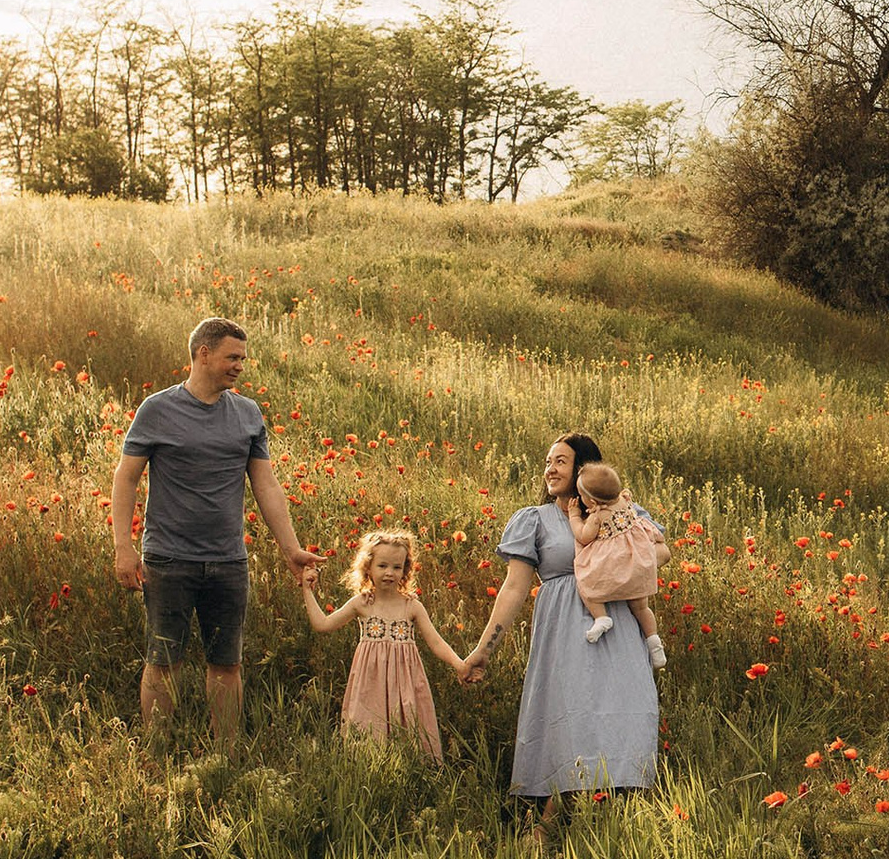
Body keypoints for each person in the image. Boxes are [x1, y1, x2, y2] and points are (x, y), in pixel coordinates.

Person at [109, 316, 320, 743]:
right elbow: (126, 477)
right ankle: (157, 751)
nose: (240, 365)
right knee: (163, 660)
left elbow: (266, 484)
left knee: (227, 663)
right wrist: (123, 547)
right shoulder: (157, 409)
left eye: (242, 358)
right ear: (203, 354)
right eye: (233, 357)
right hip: (169, 559)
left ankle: (227, 753)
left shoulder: (247, 414)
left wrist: (291, 549)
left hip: (227, 561)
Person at [458, 434, 659, 798]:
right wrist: (484, 648)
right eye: (548, 462)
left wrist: (607, 562)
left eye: (560, 462)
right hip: (566, 632)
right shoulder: (535, 519)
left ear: (583, 469)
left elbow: (659, 554)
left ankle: (624, 815)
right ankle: (553, 818)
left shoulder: (624, 513)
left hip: (619, 630)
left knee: (624, 713)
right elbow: (514, 588)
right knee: (573, 720)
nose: (550, 469)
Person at [299, 529, 464, 759]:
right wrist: (307, 590)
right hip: (370, 685)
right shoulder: (363, 604)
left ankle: (409, 774)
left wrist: (460, 664)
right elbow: (323, 624)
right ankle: (372, 775)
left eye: (397, 567)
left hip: (405, 684)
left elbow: (436, 642)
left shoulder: (411, 606)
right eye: (382, 566)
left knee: (407, 733)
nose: (389, 573)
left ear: (405, 570)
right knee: (368, 732)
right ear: (368, 567)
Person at [569, 463, 668, 665]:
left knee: (587, 584)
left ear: (591, 501)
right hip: (638, 561)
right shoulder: (625, 500)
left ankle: (602, 618)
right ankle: (654, 643)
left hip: (615, 565)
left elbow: (584, 536)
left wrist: (575, 517)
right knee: (641, 608)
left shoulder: (598, 516)